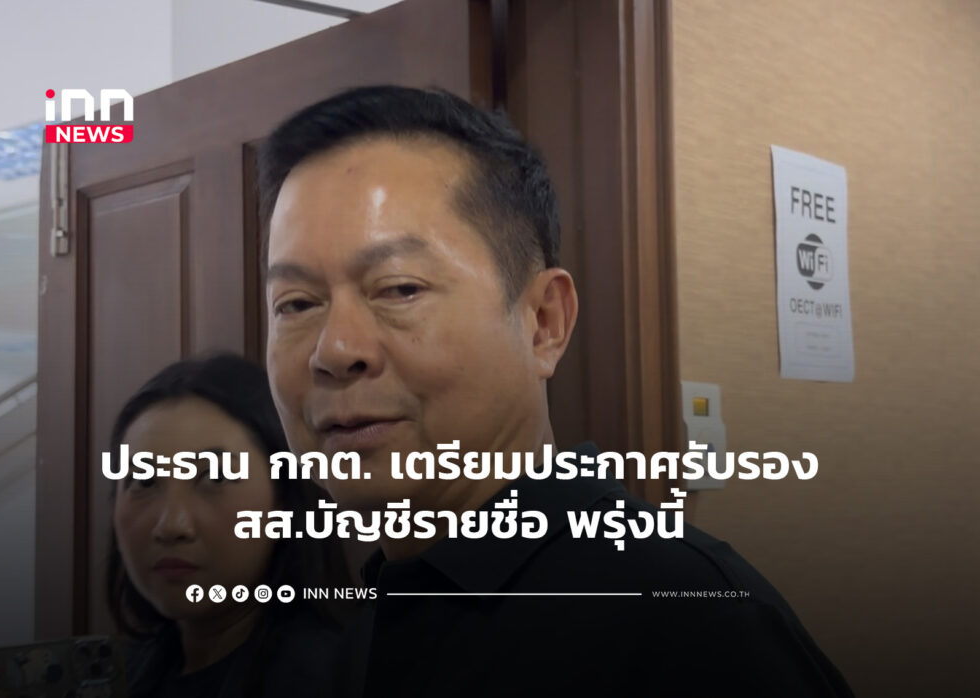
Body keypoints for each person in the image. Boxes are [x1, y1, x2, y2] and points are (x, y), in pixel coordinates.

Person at [258, 86, 855, 696]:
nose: (335, 351)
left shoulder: (688, 620)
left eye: (399, 288)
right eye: (296, 304)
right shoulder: (354, 623)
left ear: (544, 322)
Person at [107, 353, 348, 698]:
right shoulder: (123, 673)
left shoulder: (334, 676)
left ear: (284, 500)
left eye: (215, 478)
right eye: (144, 482)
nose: (171, 526)